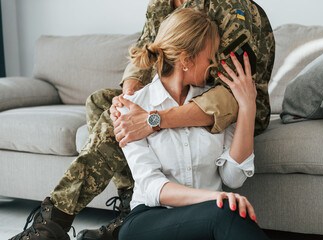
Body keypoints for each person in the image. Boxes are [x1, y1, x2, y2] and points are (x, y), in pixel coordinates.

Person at [10, 0, 274, 239]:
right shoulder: (161, 4)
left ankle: (58, 219)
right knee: (100, 103)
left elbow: (229, 94)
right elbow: (147, 48)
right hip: (158, 205)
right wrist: (129, 101)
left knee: (225, 213)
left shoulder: (233, 10)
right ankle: (123, 207)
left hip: (226, 104)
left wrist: (152, 119)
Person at [117, 8, 268, 240]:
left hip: (209, 216)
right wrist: (214, 199)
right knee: (227, 212)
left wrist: (247, 107)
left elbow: (233, 177)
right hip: (149, 220)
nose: (214, 65)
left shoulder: (215, 105)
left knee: (226, 213)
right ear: (187, 60)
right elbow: (152, 187)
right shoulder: (134, 108)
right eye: (210, 58)